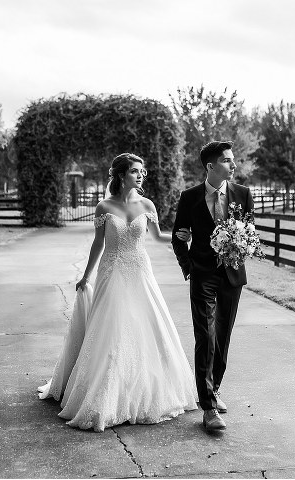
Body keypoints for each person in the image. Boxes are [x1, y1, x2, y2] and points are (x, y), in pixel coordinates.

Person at [38, 153, 197, 431]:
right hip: (111, 273)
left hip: (140, 272)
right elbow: (98, 244)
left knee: (147, 328)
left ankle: (144, 392)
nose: (140, 176)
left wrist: (182, 237)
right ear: (122, 175)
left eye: (142, 172)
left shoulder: (147, 204)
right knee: (111, 333)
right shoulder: (103, 207)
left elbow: (158, 237)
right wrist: (85, 276)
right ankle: (105, 394)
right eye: (135, 171)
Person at [171, 141, 254, 431]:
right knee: (205, 335)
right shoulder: (190, 197)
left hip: (232, 276)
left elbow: (249, 232)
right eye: (228, 161)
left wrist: (240, 246)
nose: (233, 165)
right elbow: (177, 237)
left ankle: (214, 388)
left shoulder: (243, 194)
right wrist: (189, 267)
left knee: (222, 335)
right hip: (203, 274)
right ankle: (207, 408)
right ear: (211, 166)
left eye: (233, 160)